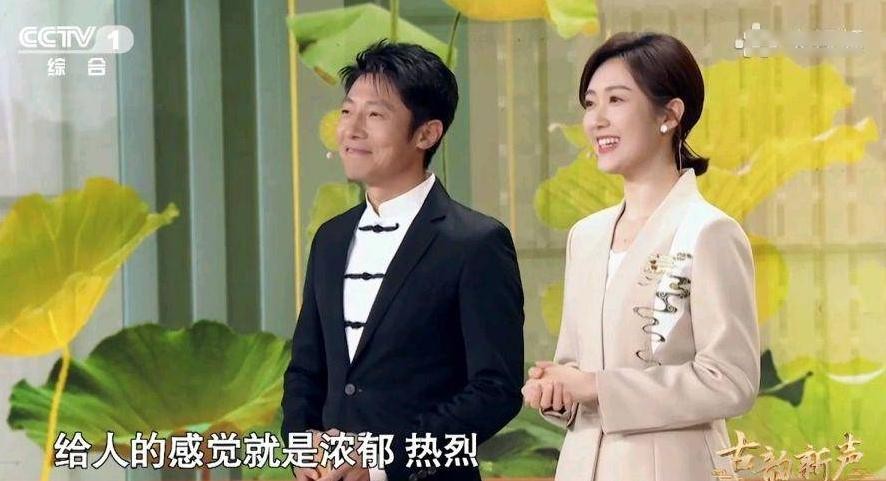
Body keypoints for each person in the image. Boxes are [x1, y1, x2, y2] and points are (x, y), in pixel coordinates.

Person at [521, 32, 760, 481]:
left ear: (669, 114)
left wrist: (596, 386)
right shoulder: (586, 236)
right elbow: (576, 364)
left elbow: (731, 380)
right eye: (590, 103)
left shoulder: (709, 232)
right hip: (582, 466)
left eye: (616, 100)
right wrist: (557, 387)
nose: (596, 120)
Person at [282, 41, 524, 481]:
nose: (352, 129)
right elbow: (305, 369)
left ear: (427, 134)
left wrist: (381, 461)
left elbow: (496, 389)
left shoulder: (475, 242)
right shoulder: (331, 238)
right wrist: (303, 443)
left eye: (375, 115)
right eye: (347, 111)